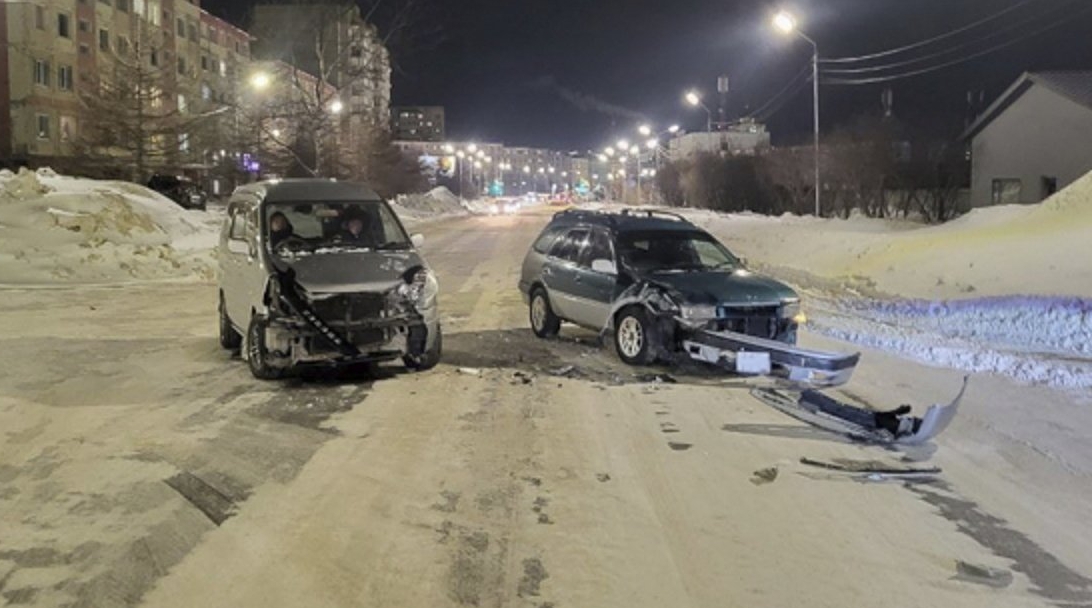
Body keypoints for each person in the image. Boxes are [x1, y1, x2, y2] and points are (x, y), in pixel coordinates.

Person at [802, 389, 921, 438]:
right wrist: (898, 411)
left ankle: (809, 397)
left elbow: (881, 418)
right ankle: (810, 397)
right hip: (868, 419)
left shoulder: (894, 424)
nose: (908, 418)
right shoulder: (895, 427)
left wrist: (898, 411)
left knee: (838, 409)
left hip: (866, 419)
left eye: (910, 420)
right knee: (838, 408)